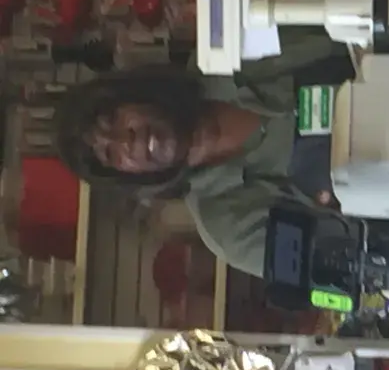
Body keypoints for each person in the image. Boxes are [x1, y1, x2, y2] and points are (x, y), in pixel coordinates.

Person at [54, 35, 356, 278]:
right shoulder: (225, 228)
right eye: (111, 154)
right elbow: (347, 264)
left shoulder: (221, 50)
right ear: (127, 178)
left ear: (132, 93)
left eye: (113, 119)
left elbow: (344, 26)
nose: (126, 141)